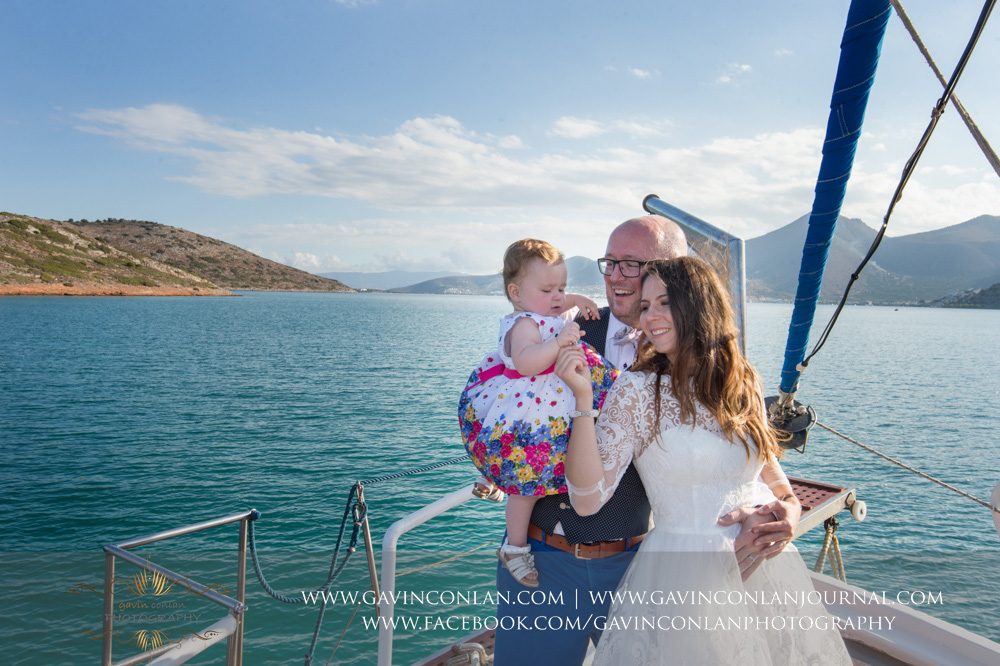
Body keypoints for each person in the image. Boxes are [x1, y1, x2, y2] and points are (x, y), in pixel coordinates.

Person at [492, 217, 799, 665]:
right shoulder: (565, 331)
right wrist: (498, 469)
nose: (614, 276)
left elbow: (743, 444)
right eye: (609, 262)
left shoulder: (721, 368)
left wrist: (788, 504)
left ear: (673, 273)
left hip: (639, 564)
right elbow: (509, 409)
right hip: (548, 558)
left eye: (630, 264)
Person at [555, 256, 851, 665]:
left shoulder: (741, 380)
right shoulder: (637, 392)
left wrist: (791, 508)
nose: (650, 317)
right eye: (645, 306)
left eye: (664, 302)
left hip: (766, 568)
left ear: (699, 306)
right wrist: (583, 403)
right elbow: (587, 500)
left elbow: (769, 471)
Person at [459, 239, 618, 587]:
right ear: (516, 293)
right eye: (548, 289)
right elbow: (527, 362)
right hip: (525, 412)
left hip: (546, 413)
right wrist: (560, 341)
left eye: (562, 287)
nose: (558, 296)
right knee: (525, 487)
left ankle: (500, 481)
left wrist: (578, 301)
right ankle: (514, 547)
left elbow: (561, 306)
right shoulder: (525, 325)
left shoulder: (547, 311)